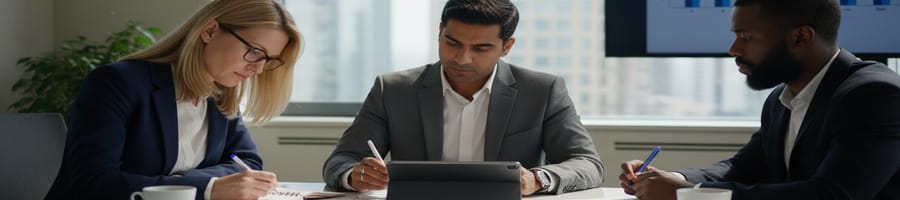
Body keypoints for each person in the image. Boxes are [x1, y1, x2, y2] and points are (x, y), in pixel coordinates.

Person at [618, 0, 900, 199]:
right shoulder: (783, 97)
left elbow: (833, 194)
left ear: (801, 37)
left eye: (746, 37)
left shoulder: (875, 96)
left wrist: (689, 195)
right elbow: (745, 166)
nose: (733, 49)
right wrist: (677, 180)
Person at [321, 0, 603, 196]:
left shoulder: (542, 90)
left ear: (507, 47)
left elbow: (587, 164)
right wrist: (355, 176)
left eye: (481, 48)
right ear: (439, 32)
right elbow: (341, 160)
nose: (462, 58)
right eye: (452, 42)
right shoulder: (393, 89)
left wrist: (537, 179)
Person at [44, 0, 303, 199]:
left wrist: (186, 181)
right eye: (255, 52)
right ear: (210, 31)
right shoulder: (117, 83)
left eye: (268, 60)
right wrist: (207, 188)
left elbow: (246, 162)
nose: (257, 70)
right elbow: (93, 183)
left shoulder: (220, 96)